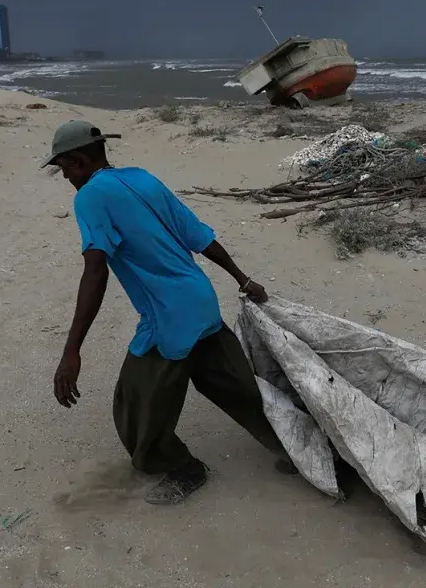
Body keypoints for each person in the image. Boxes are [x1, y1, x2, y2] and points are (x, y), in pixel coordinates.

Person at [42, 119, 289, 505]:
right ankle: (298, 448)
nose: (64, 178)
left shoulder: (89, 196)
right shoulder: (143, 179)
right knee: (241, 391)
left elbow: (95, 270)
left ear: (75, 162)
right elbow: (200, 236)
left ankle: (184, 469)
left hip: (168, 318)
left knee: (134, 406)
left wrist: (71, 350)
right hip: (201, 301)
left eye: (62, 169)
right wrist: (242, 278)